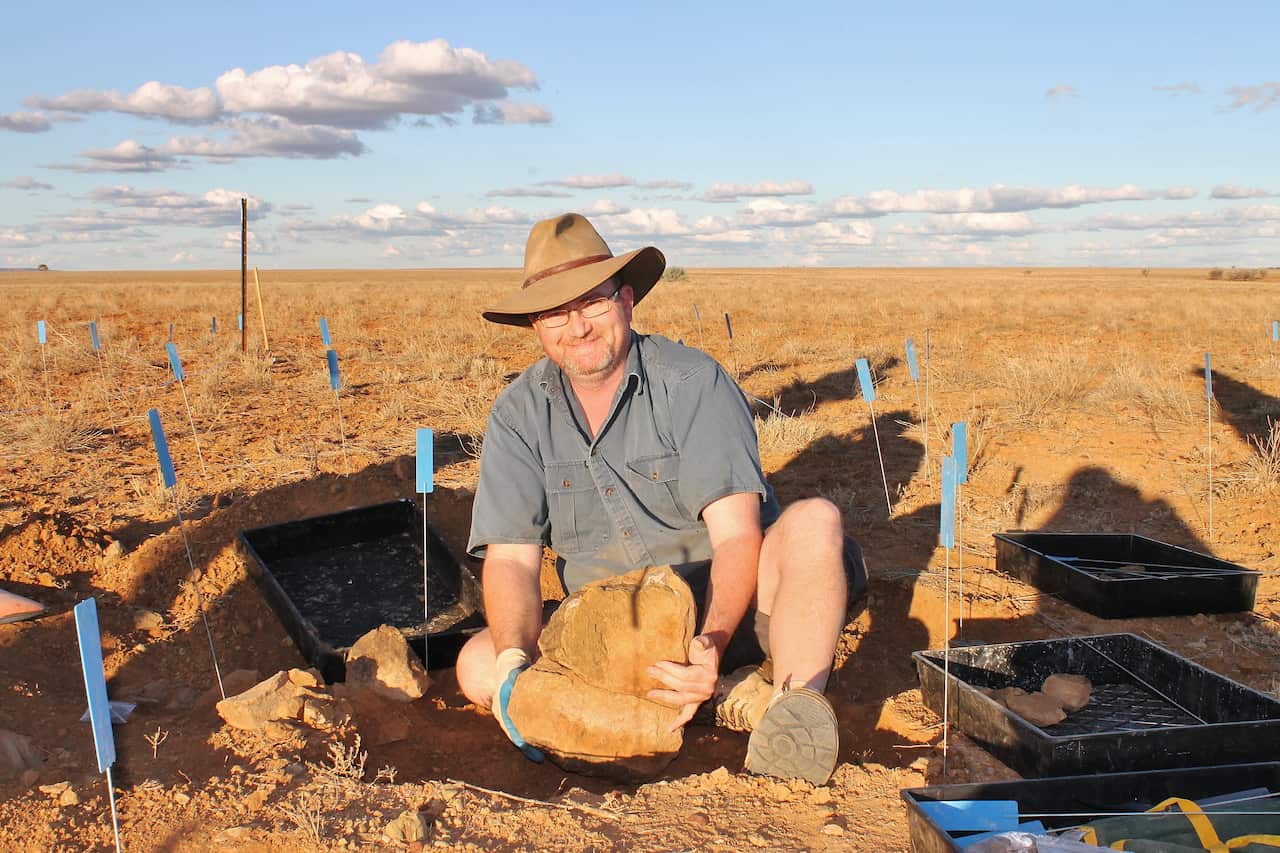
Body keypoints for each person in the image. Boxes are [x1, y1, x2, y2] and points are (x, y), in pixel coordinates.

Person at [456, 213, 866, 785]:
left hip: (728, 603)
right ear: (534, 325)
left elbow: (737, 537)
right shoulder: (519, 413)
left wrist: (713, 641)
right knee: (478, 662)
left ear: (625, 300)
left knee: (816, 521)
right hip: (607, 627)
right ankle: (727, 700)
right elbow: (510, 560)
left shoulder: (692, 382)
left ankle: (788, 707)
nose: (576, 327)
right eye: (554, 312)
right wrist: (513, 668)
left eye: (592, 304)